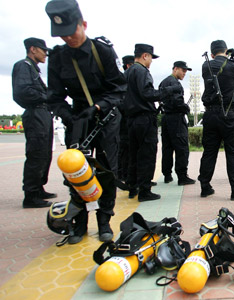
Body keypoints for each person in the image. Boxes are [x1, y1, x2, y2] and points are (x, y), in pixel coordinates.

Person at [45, 0, 126, 244]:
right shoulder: (58, 57)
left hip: (106, 116)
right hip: (78, 118)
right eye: (62, 34)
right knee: (76, 171)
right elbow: (54, 97)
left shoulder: (102, 51)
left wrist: (99, 107)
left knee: (106, 171)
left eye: (72, 31)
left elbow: (120, 88)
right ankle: (78, 224)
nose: (68, 38)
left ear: (84, 24)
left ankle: (104, 221)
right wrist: (68, 115)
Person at [198, 40, 234, 200]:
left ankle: (205, 186)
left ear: (211, 53)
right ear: (226, 51)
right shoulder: (232, 65)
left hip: (210, 114)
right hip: (229, 115)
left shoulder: (206, 66)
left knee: (209, 152)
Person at [124, 44, 180, 201]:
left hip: (131, 119)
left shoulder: (128, 72)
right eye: (150, 58)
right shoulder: (141, 71)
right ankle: (144, 191)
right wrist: (167, 91)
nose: (151, 62)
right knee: (147, 155)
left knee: (133, 155)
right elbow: (147, 93)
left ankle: (132, 187)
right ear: (144, 56)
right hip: (144, 118)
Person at [12, 37, 57, 208]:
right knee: (36, 153)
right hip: (35, 112)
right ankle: (30, 195)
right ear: (33, 49)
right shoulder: (23, 66)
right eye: (43, 50)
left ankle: (38, 188)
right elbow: (22, 91)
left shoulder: (33, 68)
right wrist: (46, 97)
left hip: (43, 113)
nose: (45, 53)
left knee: (45, 153)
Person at [159, 61, 196, 185]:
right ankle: (182, 176)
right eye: (183, 70)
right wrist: (185, 108)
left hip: (165, 118)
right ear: (175, 69)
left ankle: (167, 174)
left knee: (167, 148)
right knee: (182, 148)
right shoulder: (175, 84)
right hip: (176, 118)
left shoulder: (163, 82)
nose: (184, 73)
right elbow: (177, 102)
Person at [117, 55, 134, 182]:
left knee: (127, 148)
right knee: (124, 148)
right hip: (123, 120)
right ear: (128, 65)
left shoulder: (124, 78)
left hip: (125, 119)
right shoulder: (123, 80)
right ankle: (123, 174)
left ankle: (126, 174)